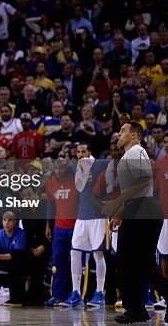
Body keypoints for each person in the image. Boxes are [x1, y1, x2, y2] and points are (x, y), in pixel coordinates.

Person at [101, 122, 168, 324]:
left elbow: (143, 182)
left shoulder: (137, 151)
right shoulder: (128, 155)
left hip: (143, 209)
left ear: (135, 135)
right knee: (136, 263)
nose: (119, 134)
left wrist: (117, 202)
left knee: (132, 262)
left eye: (123, 131)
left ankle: (135, 308)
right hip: (138, 209)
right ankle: (137, 309)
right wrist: (120, 213)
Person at [61, 143, 108, 307]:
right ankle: (75, 293)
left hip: (98, 217)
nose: (80, 154)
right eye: (78, 152)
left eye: (83, 151)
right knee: (75, 252)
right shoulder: (75, 167)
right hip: (81, 217)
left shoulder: (101, 164)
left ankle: (100, 292)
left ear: (90, 152)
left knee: (98, 254)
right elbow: (58, 170)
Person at [44, 160, 77, 306]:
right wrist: (48, 225)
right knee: (58, 262)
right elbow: (50, 205)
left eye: (62, 167)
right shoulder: (51, 182)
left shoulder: (75, 179)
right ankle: (57, 295)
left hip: (76, 226)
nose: (59, 170)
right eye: (56, 167)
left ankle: (77, 294)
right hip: (59, 227)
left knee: (77, 263)